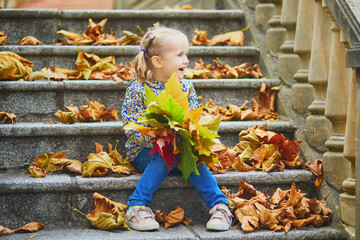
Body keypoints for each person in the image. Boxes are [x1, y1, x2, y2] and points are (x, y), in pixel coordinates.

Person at [121, 27, 233, 232]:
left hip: (180, 150)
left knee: (192, 157)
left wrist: (191, 135)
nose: (186, 60)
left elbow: (191, 118)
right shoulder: (138, 89)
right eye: (180, 55)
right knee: (165, 154)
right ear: (157, 61)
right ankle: (136, 206)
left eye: (186, 54)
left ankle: (220, 206)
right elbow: (131, 126)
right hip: (146, 152)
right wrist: (158, 136)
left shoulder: (186, 87)